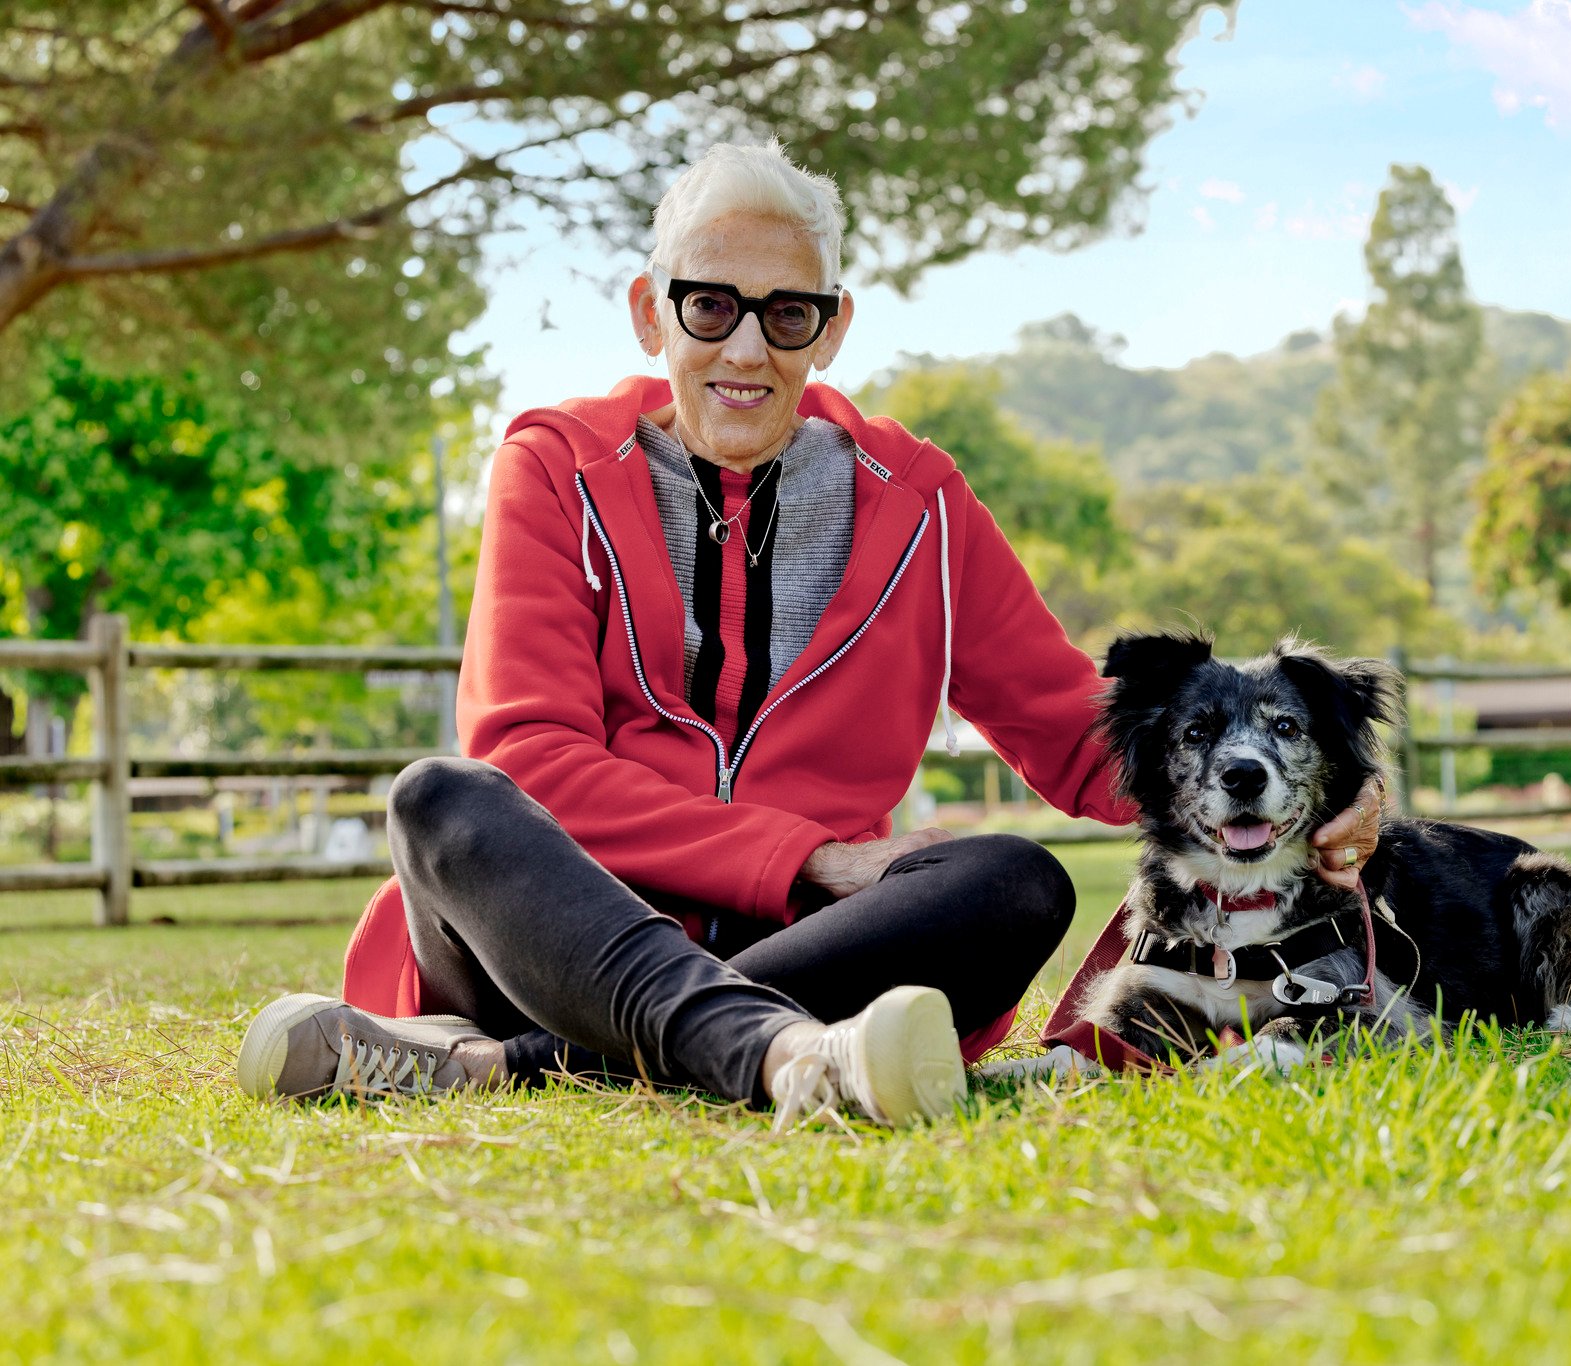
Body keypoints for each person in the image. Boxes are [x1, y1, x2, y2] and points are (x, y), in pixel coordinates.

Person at [236, 142, 1384, 1131]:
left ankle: (492, 1073)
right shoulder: (554, 467)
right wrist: (809, 856)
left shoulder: (920, 500)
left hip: (819, 956)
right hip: (534, 953)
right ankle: (779, 1056)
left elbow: (1088, 741)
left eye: (786, 314)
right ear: (653, 311)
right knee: (444, 796)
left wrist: (1323, 792)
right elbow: (532, 760)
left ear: (829, 330)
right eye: (709, 305)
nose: (746, 349)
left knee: (1014, 881)